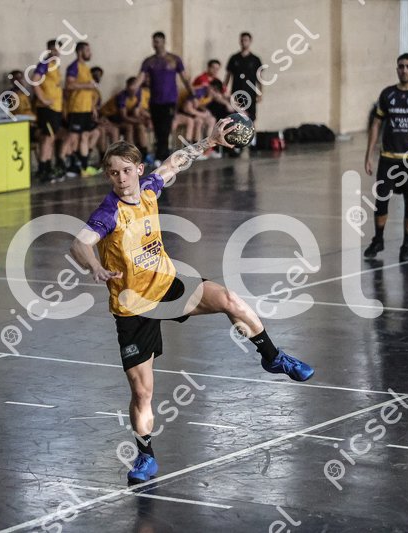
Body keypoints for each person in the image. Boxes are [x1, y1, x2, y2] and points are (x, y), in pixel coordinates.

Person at [69, 117, 314, 484]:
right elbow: (79, 243)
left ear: (138, 170)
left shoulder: (148, 190)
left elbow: (174, 163)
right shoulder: (109, 212)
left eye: (126, 170)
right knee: (142, 392)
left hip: (169, 285)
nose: (120, 178)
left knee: (229, 299)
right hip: (133, 308)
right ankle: (145, 456)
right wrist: (95, 267)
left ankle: (273, 357)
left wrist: (209, 141)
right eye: (113, 173)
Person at [364, 53, 408, 263]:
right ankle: (378, 240)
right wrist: (368, 155)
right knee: (381, 201)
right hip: (388, 158)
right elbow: (376, 124)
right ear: (397, 68)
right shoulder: (387, 94)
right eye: (401, 66)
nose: (404, 70)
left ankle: (407, 245)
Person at [134, 31, 195, 163]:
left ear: (163, 42)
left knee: (166, 127)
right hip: (155, 101)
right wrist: (132, 89)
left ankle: (162, 155)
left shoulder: (174, 59)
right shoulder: (149, 61)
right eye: (153, 41)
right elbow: (140, 78)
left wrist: (192, 93)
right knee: (157, 128)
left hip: (170, 100)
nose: (155, 44)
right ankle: (161, 154)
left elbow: (185, 78)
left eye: (157, 41)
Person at [64, 42, 100, 177]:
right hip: (76, 108)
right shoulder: (74, 66)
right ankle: (70, 166)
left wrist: (92, 107)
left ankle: (84, 166)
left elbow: (90, 91)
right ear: (80, 52)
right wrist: (86, 85)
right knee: (73, 138)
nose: (90, 53)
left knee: (85, 136)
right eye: (87, 50)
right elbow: (69, 85)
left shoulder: (86, 68)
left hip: (86, 109)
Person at [31, 39, 65, 183]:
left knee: (51, 138)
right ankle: (42, 169)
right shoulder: (44, 64)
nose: (56, 52)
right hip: (47, 109)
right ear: (49, 50)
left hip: (55, 108)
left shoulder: (55, 66)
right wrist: (43, 99)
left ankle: (48, 167)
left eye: (58, 49)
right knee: (47, 138)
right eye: (54, 49)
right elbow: (35, 81)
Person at [99, 77, 148, 155]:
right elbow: (124, 117)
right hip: (109, 117)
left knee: (140, 126)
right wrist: (137, 120)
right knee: (129, 127)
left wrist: (143, 120)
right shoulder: (122, 96)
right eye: (132, 87)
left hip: (120, 117)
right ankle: (128, 154)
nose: (134, 90)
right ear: (127, 87)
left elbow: (135, 113)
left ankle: (144, 153)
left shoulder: (138, 94)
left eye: (136, 87)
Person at [224, 32, 263, 127]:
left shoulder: (255, 59)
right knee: (237, 117)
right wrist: (224, 90)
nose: (243, 42)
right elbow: (228, 76)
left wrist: (260, 92)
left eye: (246, 40)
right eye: (242, 40)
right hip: (236, 93)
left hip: (251, 93)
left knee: (251, 118)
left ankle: (252, 136)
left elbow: (260, 77)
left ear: (250, 41)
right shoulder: (234, 58)